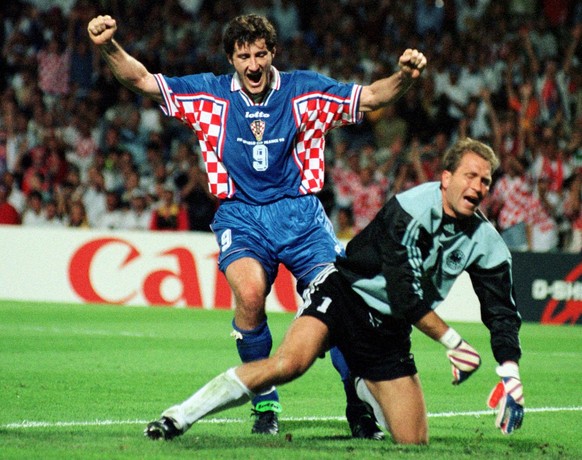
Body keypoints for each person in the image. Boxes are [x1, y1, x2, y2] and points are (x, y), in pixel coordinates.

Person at [88, 13, 426, 437]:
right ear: (231, 58)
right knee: (249, 295)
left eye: (260, 54)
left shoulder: (305, 90)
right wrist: (108, 46)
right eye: (243, 55)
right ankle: (264, 402)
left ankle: (355, 401)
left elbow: (374, 96)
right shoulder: (209, 95)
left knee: (341, 307)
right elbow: (141, 80)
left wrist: (406, 76)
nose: (252, 64)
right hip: (241, 215)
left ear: (272, 54)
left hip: (301, 216)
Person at [143, 138, 524, 444]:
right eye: (470, 175)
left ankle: (360, 384)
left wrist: (510, 373)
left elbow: (501, 311)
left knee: (413, 440)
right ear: (445, 177)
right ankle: (179, 416)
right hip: (344, 294)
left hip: (388, 330)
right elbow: (404, 290)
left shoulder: (488, 243)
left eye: (485, 181)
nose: (477, 186)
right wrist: (454, 341)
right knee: (290, 364)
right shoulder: (410, 208)